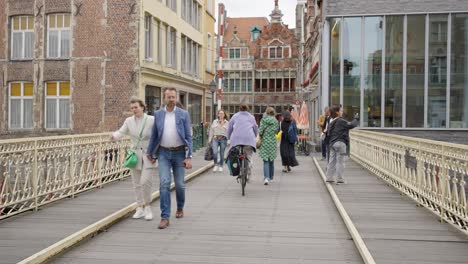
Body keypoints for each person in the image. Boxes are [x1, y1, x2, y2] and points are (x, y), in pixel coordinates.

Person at [147, 87, 193, 229]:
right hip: (163, 153)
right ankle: (165, 217)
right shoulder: (158, 114)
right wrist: (150, 153)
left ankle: (180, 207)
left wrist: (189, 156)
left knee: (179, 184)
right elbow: (154, 135)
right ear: (164, 98)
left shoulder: (184, 114)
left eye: (173, 97)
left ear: (176, 98)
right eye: (168, 97)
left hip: (179, 153)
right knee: (164, 183)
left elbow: (188, 136)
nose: (171, 99)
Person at [111, 97, 156, 221]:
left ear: (142, 107)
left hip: (148, 154)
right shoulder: (129, 121)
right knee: (136, 183)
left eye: (136, 107)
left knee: (145, 181)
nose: (134, 110)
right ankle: (139, 207)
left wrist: (156, 153)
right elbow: (121, 132)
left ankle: (147, 206)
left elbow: (157, 136)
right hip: (134, 155)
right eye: (132, 108)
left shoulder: (151, 120)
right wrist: (114, 136)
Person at [324, 104, 359, 184]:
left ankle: (329, 177)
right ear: (337, 112)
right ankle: (340, 179)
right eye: (341, 110)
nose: (342, 112)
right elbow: (351, 125)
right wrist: (356, 119)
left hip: (332, 143)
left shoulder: (332, 121)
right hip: (340, 143)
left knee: (331, 161)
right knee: (340, 162)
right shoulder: (341, 120)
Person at [226, 104, 258, 180]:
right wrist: (255, 135)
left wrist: (228, 137)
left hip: (236, 139)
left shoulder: (235, 116)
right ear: (247, 109)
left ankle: (239, 167)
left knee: (236, 154)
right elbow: (255, 127)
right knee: (249, 157)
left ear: (239, 109)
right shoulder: (251, 117)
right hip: (248, 139)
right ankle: (248, 173)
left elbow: (230, 128)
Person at [258, 107, 279, 185]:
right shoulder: (276, 121)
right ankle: (271, 177)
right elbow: (277, 131)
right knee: (271, 160)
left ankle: (266, 178)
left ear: (266, 112)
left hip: (265, 142)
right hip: (272, 142)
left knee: (265, 160)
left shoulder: (263, 120)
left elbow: (260, 131)